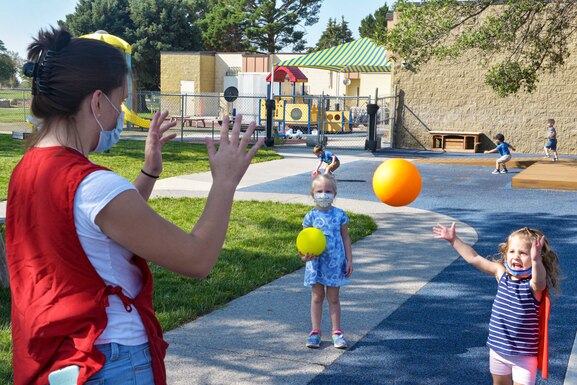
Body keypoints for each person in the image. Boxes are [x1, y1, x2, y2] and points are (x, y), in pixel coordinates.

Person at [5, 27, 263, 385]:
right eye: (119, 101)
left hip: (57, 360)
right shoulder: (92, 184)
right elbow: (196, 259)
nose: (119, 116)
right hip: (110, 360)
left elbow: (99, 232)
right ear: (96, 102)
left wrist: (149, 172)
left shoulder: (28, 170)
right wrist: (225, 182)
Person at [433, 223, 560, 385]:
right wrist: (454, 240)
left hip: (524, 355)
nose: (516, 256)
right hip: (498, 350)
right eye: (512, 251)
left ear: (536, 256)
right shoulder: (502, 275)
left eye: (523, 253)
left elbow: (540, 278)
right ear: (506, 253)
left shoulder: (533, 286)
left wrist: (536, 261)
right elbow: (474, 258)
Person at [299, 174, 353, 349]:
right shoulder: (310, 217)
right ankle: (315, 332)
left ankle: (337, 332)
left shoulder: (339, 215)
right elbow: (304, 241)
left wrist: (349, 260)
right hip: (316, 264)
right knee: (317, 297)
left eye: (328, 191)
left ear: (334, 194)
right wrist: (303, 257)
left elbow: (346, 239)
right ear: (312, 194)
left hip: (335, 264)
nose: (324, 194)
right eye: (320, 191)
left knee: (334, 298)